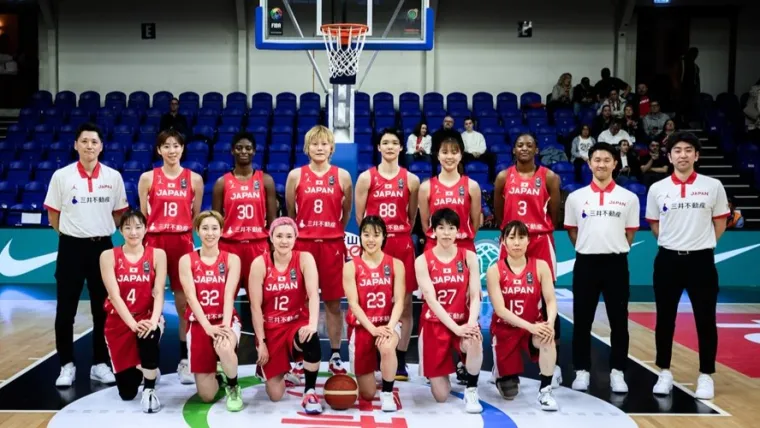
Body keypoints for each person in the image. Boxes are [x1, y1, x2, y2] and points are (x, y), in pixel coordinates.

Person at [43, 122, 129, 387]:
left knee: (103, 310)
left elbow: (119, 215)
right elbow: (53, 214)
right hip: (71, 247)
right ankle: (66, 365)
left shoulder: (113, 177)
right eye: (85, 141)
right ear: (76, 145)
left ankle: (100, 363)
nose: (90, 146)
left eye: (94, 142)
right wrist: (72, 234)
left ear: (101, 146)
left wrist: (97, 232)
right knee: (65, 310)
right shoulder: (61, 176)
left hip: (102, 248)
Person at [645, 131, 729, 400]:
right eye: (677, 150)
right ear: (669, 157)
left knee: (706, 319)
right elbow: (655, 225)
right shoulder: (657, 189)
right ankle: (665, 372)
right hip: (668, 260)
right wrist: (676, 243)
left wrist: (700, 243)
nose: (682, 154)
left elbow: (720, 222)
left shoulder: (713, 185)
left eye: (688, 150)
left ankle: (705, 375)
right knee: (665, 319)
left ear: (697, 155)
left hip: (701, 261)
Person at [563, 143, 640, 394]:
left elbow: (629, 234)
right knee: (582, 320)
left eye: (607, 160)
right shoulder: (576, 197)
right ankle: (581, 371)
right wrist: (590, 248)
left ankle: (618, 372)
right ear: (589, 163)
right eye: (597, 159)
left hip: (616, 263)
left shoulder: (629, 198)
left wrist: (611, 248)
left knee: (619, 321)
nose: (602, 164)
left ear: (615, 163)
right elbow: (573, 232)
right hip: (586, 263)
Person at [493, 132, 562, 386]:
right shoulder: (503, 176)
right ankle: (501, 360)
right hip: (512, 239)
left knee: (546, 299)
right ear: (513, 150)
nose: (524, 148)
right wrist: (511, 233)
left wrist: (537, 228)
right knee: (506, 295)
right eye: (519, 144)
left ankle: (552, 364)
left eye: (529, 145)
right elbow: (500, 213)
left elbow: (555, 213)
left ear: (537, 150)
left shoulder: (550, 177)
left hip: (540, 239)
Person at [285, 125, 353, 376]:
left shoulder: (343, 176)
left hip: (333, 245)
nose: (320, 148)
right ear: (307, 148)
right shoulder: (295, 175)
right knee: (301, 302)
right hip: (303, 245)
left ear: (332, 148)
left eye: (324, 144)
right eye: (314, 144)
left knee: (334, 304)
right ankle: (302, 355)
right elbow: (291, 213)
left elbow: (347, 214)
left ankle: (335, 354)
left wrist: (333, 231)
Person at [354, 128, 420, 381]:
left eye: (394, 143)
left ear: (401, 148)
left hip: (401, 243)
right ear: (378, 148)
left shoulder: (411, 180)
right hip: (373, 245)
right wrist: (374, 238)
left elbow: (412, 216)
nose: (390, 147)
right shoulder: (366, 178)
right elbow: (361, 218)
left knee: (403, 306)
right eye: (385, 143)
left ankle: (400, 358)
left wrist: (396, 232)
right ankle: (371, 354)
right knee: (372, 303)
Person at [138, 129, 204, 384]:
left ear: (182, 149)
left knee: (184, 301)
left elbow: (196, 215)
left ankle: (184, 359)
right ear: (159, 150)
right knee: (149, 298)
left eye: (176, 145)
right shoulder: (147, 178)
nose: (172, 150)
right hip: (155, 241)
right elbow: (143, 216)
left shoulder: (194, 179)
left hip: (182, 241)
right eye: (167, 146)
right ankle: (144, 358)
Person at [249, 217, 323, 414]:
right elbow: (255, 307)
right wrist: (262, 342)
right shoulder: (259, 263)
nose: (284, 240)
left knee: (311, 338)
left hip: (295, 323)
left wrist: (313, 325)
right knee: (275, 395)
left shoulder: (304, 258)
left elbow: (314, 294)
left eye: (289, 236)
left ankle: (310, 391)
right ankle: (276, 370)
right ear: (271, 237)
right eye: (279, 235)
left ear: (295, 237)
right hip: (270, 328)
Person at [415, 208, 483, 413]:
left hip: (463, 320)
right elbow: (432, 300)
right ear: (433, 231)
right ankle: (441, 373)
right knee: (441, 397)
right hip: (435, 324)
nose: (446, 233)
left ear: (458, 231)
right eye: (441, 228)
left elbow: (474, 295)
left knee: (474, 340)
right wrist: (455, 328)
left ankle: (472, 389)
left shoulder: (469, 256)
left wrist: (470, 324)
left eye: (451, 228)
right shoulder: (422, 261)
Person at [486, 220, 558, 411]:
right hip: (505, 330)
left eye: (521, 237)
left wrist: (549, 323)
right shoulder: (494, 270)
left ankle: (545, 391)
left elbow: (550, 300)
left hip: (531, 327)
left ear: (528, 241)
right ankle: (499, 371)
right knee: (510, 393)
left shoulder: (541, 266)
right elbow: (500, 310)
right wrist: (531, 326)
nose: (517, 243)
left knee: (547, 338)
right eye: (512, 238)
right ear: (503, 242)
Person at [100, 210, 165, 413]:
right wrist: (132, 324)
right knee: (127, 393)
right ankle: (146, 367)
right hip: (119, 322)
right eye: (127, 227)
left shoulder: (157, 254)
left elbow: (159, 292)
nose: (133, 232)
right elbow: (114, 295)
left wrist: (153, 321)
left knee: (149, 334)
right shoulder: (108, 256)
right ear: (120, 230)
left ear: (146, 229)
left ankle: (149, 389)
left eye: (138, 227)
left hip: (146, 316)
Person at [178, 210, 243, 411]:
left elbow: (229, 295)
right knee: (206, 396)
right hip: (199, 324)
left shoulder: (232, 259)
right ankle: (219, 372)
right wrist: (207, 326)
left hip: (225, 319)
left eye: (214, 228)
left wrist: (223, 326)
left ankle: (233, 387)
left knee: (224, 346)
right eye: (205, 228)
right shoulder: (186, 260)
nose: (210, 233)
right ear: (197, 231)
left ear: (221, 231)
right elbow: (190, 296)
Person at [343, 216, 406, 411]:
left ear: (384, 237)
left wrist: (388, 327)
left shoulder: (396, 264)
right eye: (366, 234)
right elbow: (353, 304)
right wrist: (373, 329)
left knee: (387, 346)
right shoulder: (350, 266)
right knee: (368, 394)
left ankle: (387, 392)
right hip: (363, 327)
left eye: (376, 235)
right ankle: (379, 368)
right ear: (360, 237)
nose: (371, 239)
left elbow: (400, 301)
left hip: (388, 323)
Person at [212, 131, 278, 293]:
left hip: (258, 245)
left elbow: (272, 220)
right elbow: (215, 220)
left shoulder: (265, 180)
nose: (244, 152)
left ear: (254, 151)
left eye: (248, 148)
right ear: (232, 151)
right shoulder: (222, 183)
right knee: (226, 295)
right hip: (229, 245)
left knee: (258, 298)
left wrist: (273, 247)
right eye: (239, 148)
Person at [418, 129, 481, 253]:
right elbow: (425, 225)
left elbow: (475, 223)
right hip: (435, 246)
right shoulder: (426, 187)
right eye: (445, 152)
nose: (449, 157)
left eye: (454, 152)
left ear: (461, 155)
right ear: (438, 155)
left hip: (464, 246)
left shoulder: (472, 186)